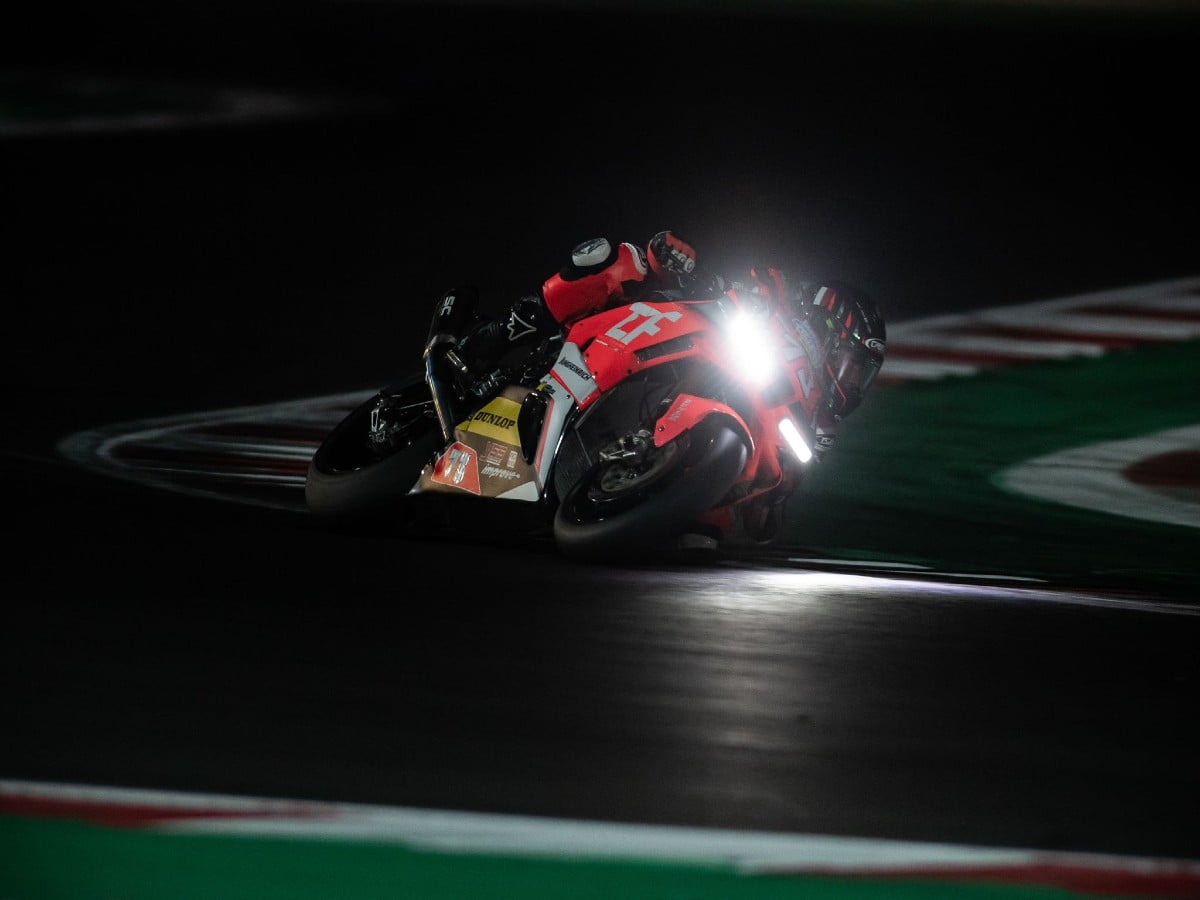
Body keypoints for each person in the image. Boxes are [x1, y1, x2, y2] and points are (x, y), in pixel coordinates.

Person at [440, 230, 886, 546]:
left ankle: (612, 487)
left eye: (861, 377)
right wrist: (671, 259)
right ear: (832, 330)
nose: (853, 383)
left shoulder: (810, 425)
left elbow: (762, 526)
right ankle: (487, 340)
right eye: (855, 368)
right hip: (674, 334)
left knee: (703, 541)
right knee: (617, 260)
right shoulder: (774, 296)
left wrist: (777, 490)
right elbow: (720, 282)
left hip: (685, 473)